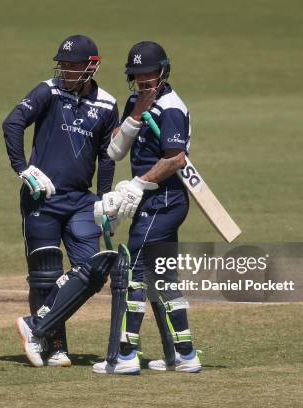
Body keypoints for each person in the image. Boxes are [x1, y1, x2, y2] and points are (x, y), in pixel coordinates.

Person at [2, 34, 118, 367]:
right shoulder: (47, 91)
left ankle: (35, 325)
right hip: (43, 198)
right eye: (62, 65)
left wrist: (105, 197)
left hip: (82, 201)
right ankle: (53, 345)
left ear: (91, 67)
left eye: (72, 65)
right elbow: (12, 123)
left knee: (94, 270)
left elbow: (107, 155)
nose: (65, 71)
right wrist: (23, 169)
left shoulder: (108, 105)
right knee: (44, 275)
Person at [92, 41, 202, 374]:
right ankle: (184, 355)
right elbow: (114, 151)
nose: (143, 80)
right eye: (137, 75)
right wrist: (136, 114)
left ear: (163, 71)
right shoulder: (136, 101)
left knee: (134, 271)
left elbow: (175, 159)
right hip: (152, 201)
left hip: (164, 200)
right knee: (165, 277)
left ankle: (126, 355)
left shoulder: (170, 107)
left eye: (149, 73)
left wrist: (138, 184)